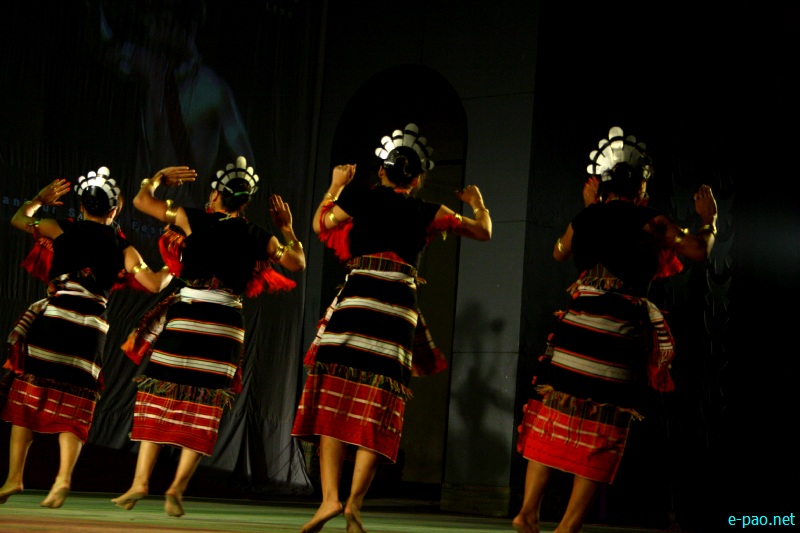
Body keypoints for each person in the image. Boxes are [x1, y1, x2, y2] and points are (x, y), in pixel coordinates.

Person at [511, 127, 718, 533]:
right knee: (602, 425)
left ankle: (528, 511)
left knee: (554, 412)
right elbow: (698, 250)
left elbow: (559, 252)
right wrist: (708, 221)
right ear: (640, 185)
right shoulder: (651, 221)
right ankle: (567, 526)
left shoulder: (586, 217)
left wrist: (591, 208)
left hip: (574, 329)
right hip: (613, 334)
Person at [292, 123, 492, 533]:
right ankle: (354, 504)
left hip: (358, 300)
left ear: (382, 172)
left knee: (334, 400)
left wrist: (335, 185)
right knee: (376, 405)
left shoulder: (360, 198)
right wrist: (478, 203)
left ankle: (329, 499)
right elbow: (483, 231)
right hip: (397, 311)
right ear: (416, 179)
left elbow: (320, 225)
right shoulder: (429, 211)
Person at [111, 157, 305, 517]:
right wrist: (287, 229)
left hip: (188, 316)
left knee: (158, 394)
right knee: (205, 405)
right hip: (225, 325)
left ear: (216, 195)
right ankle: (177, 488)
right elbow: (297, 262)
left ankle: (140, 482)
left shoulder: (193, 218)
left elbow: (141, 201)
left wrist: (156, 178)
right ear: (244, 202)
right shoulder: (258, 235)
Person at [0, 168, 174, 508]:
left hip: (55, 320)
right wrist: (174, 266)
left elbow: (19, 219)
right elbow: (154, 283)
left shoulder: (60, 228)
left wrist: (38, 199)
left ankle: (14, 477)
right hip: (90, 330)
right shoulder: (123, 247)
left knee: (27, 400)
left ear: (81, 206)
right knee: (75, 402)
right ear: (115, 209)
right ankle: (63, 478)